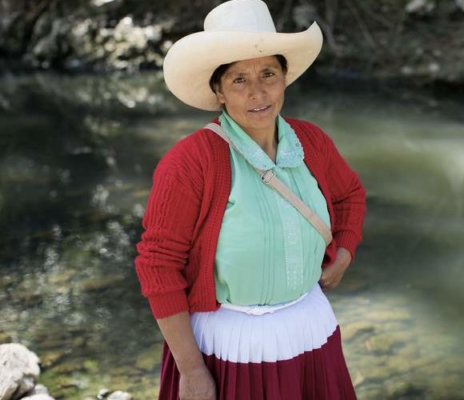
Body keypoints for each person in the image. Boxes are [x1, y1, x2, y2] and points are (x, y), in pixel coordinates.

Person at [134, 0, 367, 399]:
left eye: (268, 74)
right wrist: (192, 372)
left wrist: (344, 249)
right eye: (239, 80)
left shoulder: (310, 141)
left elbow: (350, 195)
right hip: (232, 349)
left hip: (310, 331)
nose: (258, 92)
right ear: (218, 92)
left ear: (284, 79)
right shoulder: (190, 163)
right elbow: (159, 268)